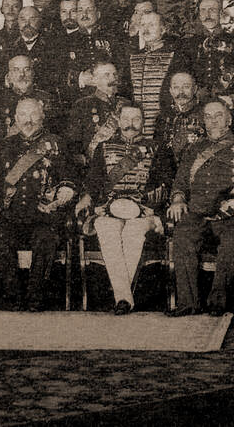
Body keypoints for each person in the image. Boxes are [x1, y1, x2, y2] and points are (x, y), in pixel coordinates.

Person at [167, 100, 234, 316]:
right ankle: (188, 303)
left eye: (218, 115)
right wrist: (177, 199)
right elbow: (180, 182)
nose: (213, 120)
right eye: (208, 116)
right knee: (182, 234)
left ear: (229, 119)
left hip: (232, 213)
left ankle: (217, 301)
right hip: (198, 212)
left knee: (232, 240)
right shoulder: (194, 148)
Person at [0, 98, 77, 311]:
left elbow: (69, 175)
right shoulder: (5, 146)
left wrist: (66, 189)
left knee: (46, 238)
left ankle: (35, 295)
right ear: (16, 119)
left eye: (33, 114)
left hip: (43, 215)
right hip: (11, 215)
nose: (28, 120)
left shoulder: (56, 144)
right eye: (23, 115)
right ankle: (13, 295)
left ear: (42, 117)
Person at [78, 102, 172, 314]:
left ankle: (121, 297)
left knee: (133, 232)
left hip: (144, 212)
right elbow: (93, 182)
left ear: (143, 122)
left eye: (136, 119)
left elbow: (165, 183)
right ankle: (124, 298)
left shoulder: (158, 148)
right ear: (119, 121)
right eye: (126, 119)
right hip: (109, 210)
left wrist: (143, 205)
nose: (131, 124)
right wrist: (87, 199)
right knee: (105, 229)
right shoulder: (103, 147)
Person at [172, 0, 234, 108]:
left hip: (227, 104)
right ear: (199, 14)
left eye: (212, 10)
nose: (207, 15)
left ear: (221, 13)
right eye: (203, 10)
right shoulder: (188, 44)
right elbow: (180, 76)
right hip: (196, 105)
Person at [64, 60, 128, 171]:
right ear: (95, 80)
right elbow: (74, 141)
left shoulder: (126, 104)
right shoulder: (82, 104)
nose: (113, 79)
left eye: (114, 74)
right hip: (94, 166)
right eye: (107, 75)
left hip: (122, 165)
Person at [127, 12, 177, 138]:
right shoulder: (133, 57)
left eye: (151, 25)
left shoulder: (174, 56)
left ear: (163, 29)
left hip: (163, 125)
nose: (146, 29)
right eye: (143, 25)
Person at [152, 71, 206, 171]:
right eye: (176, 87)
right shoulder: (162, 117)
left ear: (195, 89)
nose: (181, 92)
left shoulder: (205, 115)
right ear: (171, 91)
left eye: (186, 87)